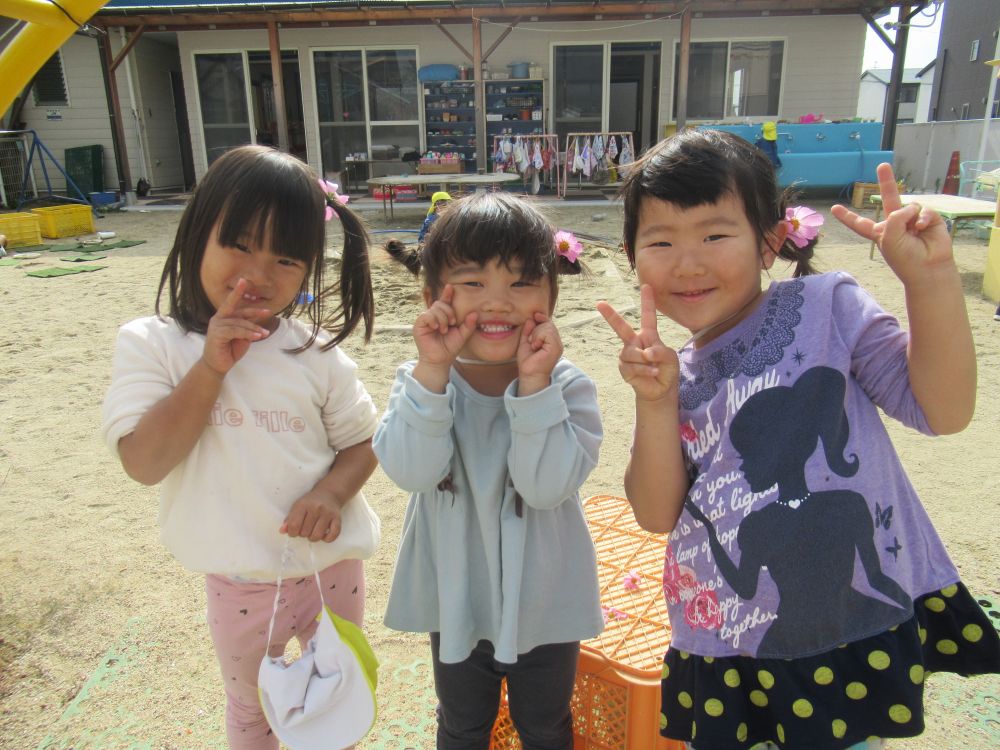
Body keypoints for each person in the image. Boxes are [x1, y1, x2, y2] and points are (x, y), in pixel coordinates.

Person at [597, 129, 1000, 750]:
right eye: (660, 241)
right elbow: (656, 514)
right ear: (631, 256)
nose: (689, 262)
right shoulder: (671, 372)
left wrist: (931, 280)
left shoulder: (826, 307)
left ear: (772, 241)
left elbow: (942, 410)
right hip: (729, 644)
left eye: (715, 233)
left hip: (842, 634)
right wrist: (654, 403)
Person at [101, 145, 381, 750]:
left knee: (337, 693)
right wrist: (210, 368)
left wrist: (333, 493)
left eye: (287, 258)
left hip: (331, 567)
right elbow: (143, 463)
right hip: (237, 580)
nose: (260, 272)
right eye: (240, 245)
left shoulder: (313, 353)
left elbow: (362, 442)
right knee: (253, 709)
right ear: (199, 232)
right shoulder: (154, 345)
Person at [376, 192, 603, 750]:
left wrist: (533, 385)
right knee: (462, 725)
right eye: (473, 283)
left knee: (546, 725)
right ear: (432, 296)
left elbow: (544, 486)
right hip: (458, 598)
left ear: (551, 293)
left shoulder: (567, 385)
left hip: (546, 602)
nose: (499, 303)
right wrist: (432, 371)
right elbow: (409, 470)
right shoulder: (420, 381)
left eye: (522, 282)